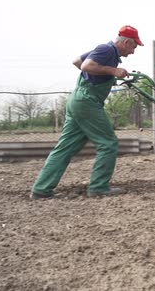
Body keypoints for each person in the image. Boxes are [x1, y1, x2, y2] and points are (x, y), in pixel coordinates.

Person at [30, 25, 144, 199]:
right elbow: (85, 65)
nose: (133, 52)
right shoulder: (107, 49)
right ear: (126, 42)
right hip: (87, 101)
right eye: (133, 47)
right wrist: (113, 71)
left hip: (78, 100)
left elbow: (77, 61)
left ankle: (41, 189)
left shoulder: (107, 51)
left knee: (65, 147)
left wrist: (100, 76)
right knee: (108, 143)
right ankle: (98, 187)